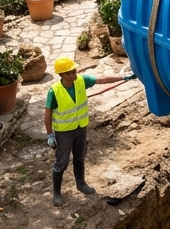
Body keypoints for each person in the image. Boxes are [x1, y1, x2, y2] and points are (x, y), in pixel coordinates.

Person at [44, 57, 122, 207]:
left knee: (80, 157)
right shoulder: (54, 91)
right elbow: (47, 114)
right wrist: (49, 134)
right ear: (61, 75)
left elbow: (103, 79)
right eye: (69, 73)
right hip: (64, 132)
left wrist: (123, 77)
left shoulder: (81, 81)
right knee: (62, 162)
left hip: (80, 128)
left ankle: (81, 184)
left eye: (74, 71)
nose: (73, 75)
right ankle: (57, 193)